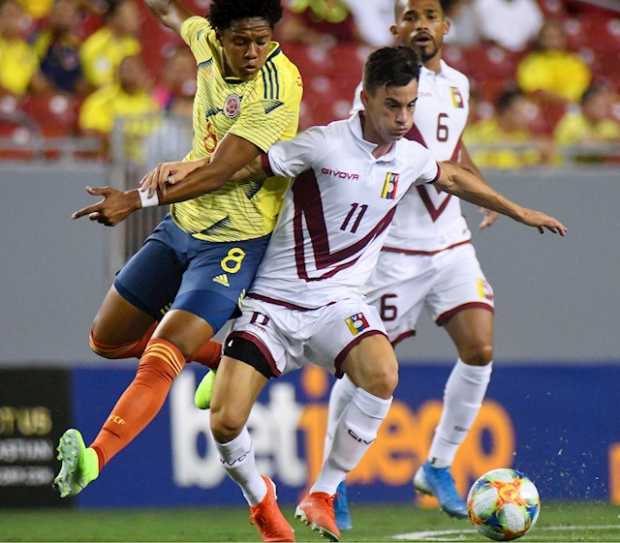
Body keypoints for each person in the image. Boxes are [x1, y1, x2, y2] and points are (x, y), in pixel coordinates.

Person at [177, 45, 563, 543]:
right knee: (225, 424)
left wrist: (519, 211)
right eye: (392, 106)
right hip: (273, 305)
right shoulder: (321, 144)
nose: (404, 118)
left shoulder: (411, 158)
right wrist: (162, 189)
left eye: (410, 106)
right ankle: (260, 499)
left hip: (338, 303)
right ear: (365, 97)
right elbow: (242, 168)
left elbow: (455, 177)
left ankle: (324, 492)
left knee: (381, 373)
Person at [53, 0, 303, 509]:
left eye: (262, 40)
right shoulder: (204, 42)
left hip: (233, 242)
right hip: (181, 227)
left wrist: (135, 200)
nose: (254, 51)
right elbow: (169, 12)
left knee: (161, 355)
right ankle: (219, 357)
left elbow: (217, 171)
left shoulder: (279, 85)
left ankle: (93, 459)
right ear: (218, 35)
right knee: (105, 339)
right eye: (241, 41)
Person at [329, 0, 543, 528]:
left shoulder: (460, 85)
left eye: (430, 14)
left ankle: (438, 465)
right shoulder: (379, 89)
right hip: (392, 252)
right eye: (410, 15)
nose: (421, 24)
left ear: (446, 26)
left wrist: (482, 194)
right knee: (362, 371)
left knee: (480, 346)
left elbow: (454, 143)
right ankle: (331, 483)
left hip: (449, 242)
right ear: (394, 27)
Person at [79, 54, 159, 158]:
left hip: (148, 161)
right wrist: (126, 139)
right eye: (127, 69)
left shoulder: (151, 102)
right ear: (117, 73)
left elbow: (160, 133)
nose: (131, 73)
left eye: (136, 69)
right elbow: (91, 132)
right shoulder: (101, 100)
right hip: (113, 162)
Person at [465, 88, 550, 169]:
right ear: (506, 113)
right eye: (519, 112)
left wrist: (544, 158)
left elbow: (529, 171)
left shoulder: (523, 137)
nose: (525, 117)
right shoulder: (480, 134)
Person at [517, 20, 591, 103]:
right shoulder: (531, 63)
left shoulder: (575, 62)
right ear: (540, 40)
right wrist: (562, 99)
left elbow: (582, 90)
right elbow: (534, 92)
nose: (553, 41)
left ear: (563, 38)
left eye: (557, 37)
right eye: (548, 37)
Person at [80, 0, 142, 89]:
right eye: (129, 15)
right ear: (114, 18)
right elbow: (102, 86)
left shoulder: (132, 44)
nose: (136, 18)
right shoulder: (95, 48)